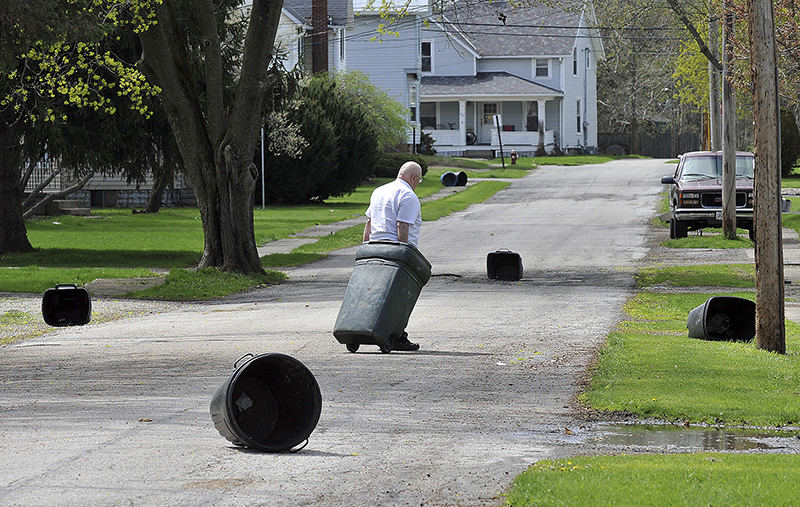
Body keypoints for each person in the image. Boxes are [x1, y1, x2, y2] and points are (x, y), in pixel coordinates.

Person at [363, 161, 424, 351]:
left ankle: (365, 326)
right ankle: (397, 335)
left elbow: (369, 223)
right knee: (399, 297)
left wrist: (365, 246)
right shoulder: (408, 196)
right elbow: (402, 226)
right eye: (419, 180)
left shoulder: (379, 191)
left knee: (374, 294)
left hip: (375, 247)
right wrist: (403, 253)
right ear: (413, 178)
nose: (418, 184)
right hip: (395, 251)